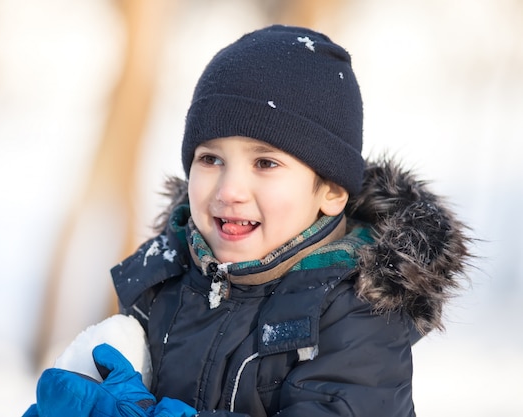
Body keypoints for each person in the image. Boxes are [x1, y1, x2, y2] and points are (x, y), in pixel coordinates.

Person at [23, 24, 472, 417]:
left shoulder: (359, 315)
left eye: (266, 163)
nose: (229, 190)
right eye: (211, 158)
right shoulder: (164, 287)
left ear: (331, 191)